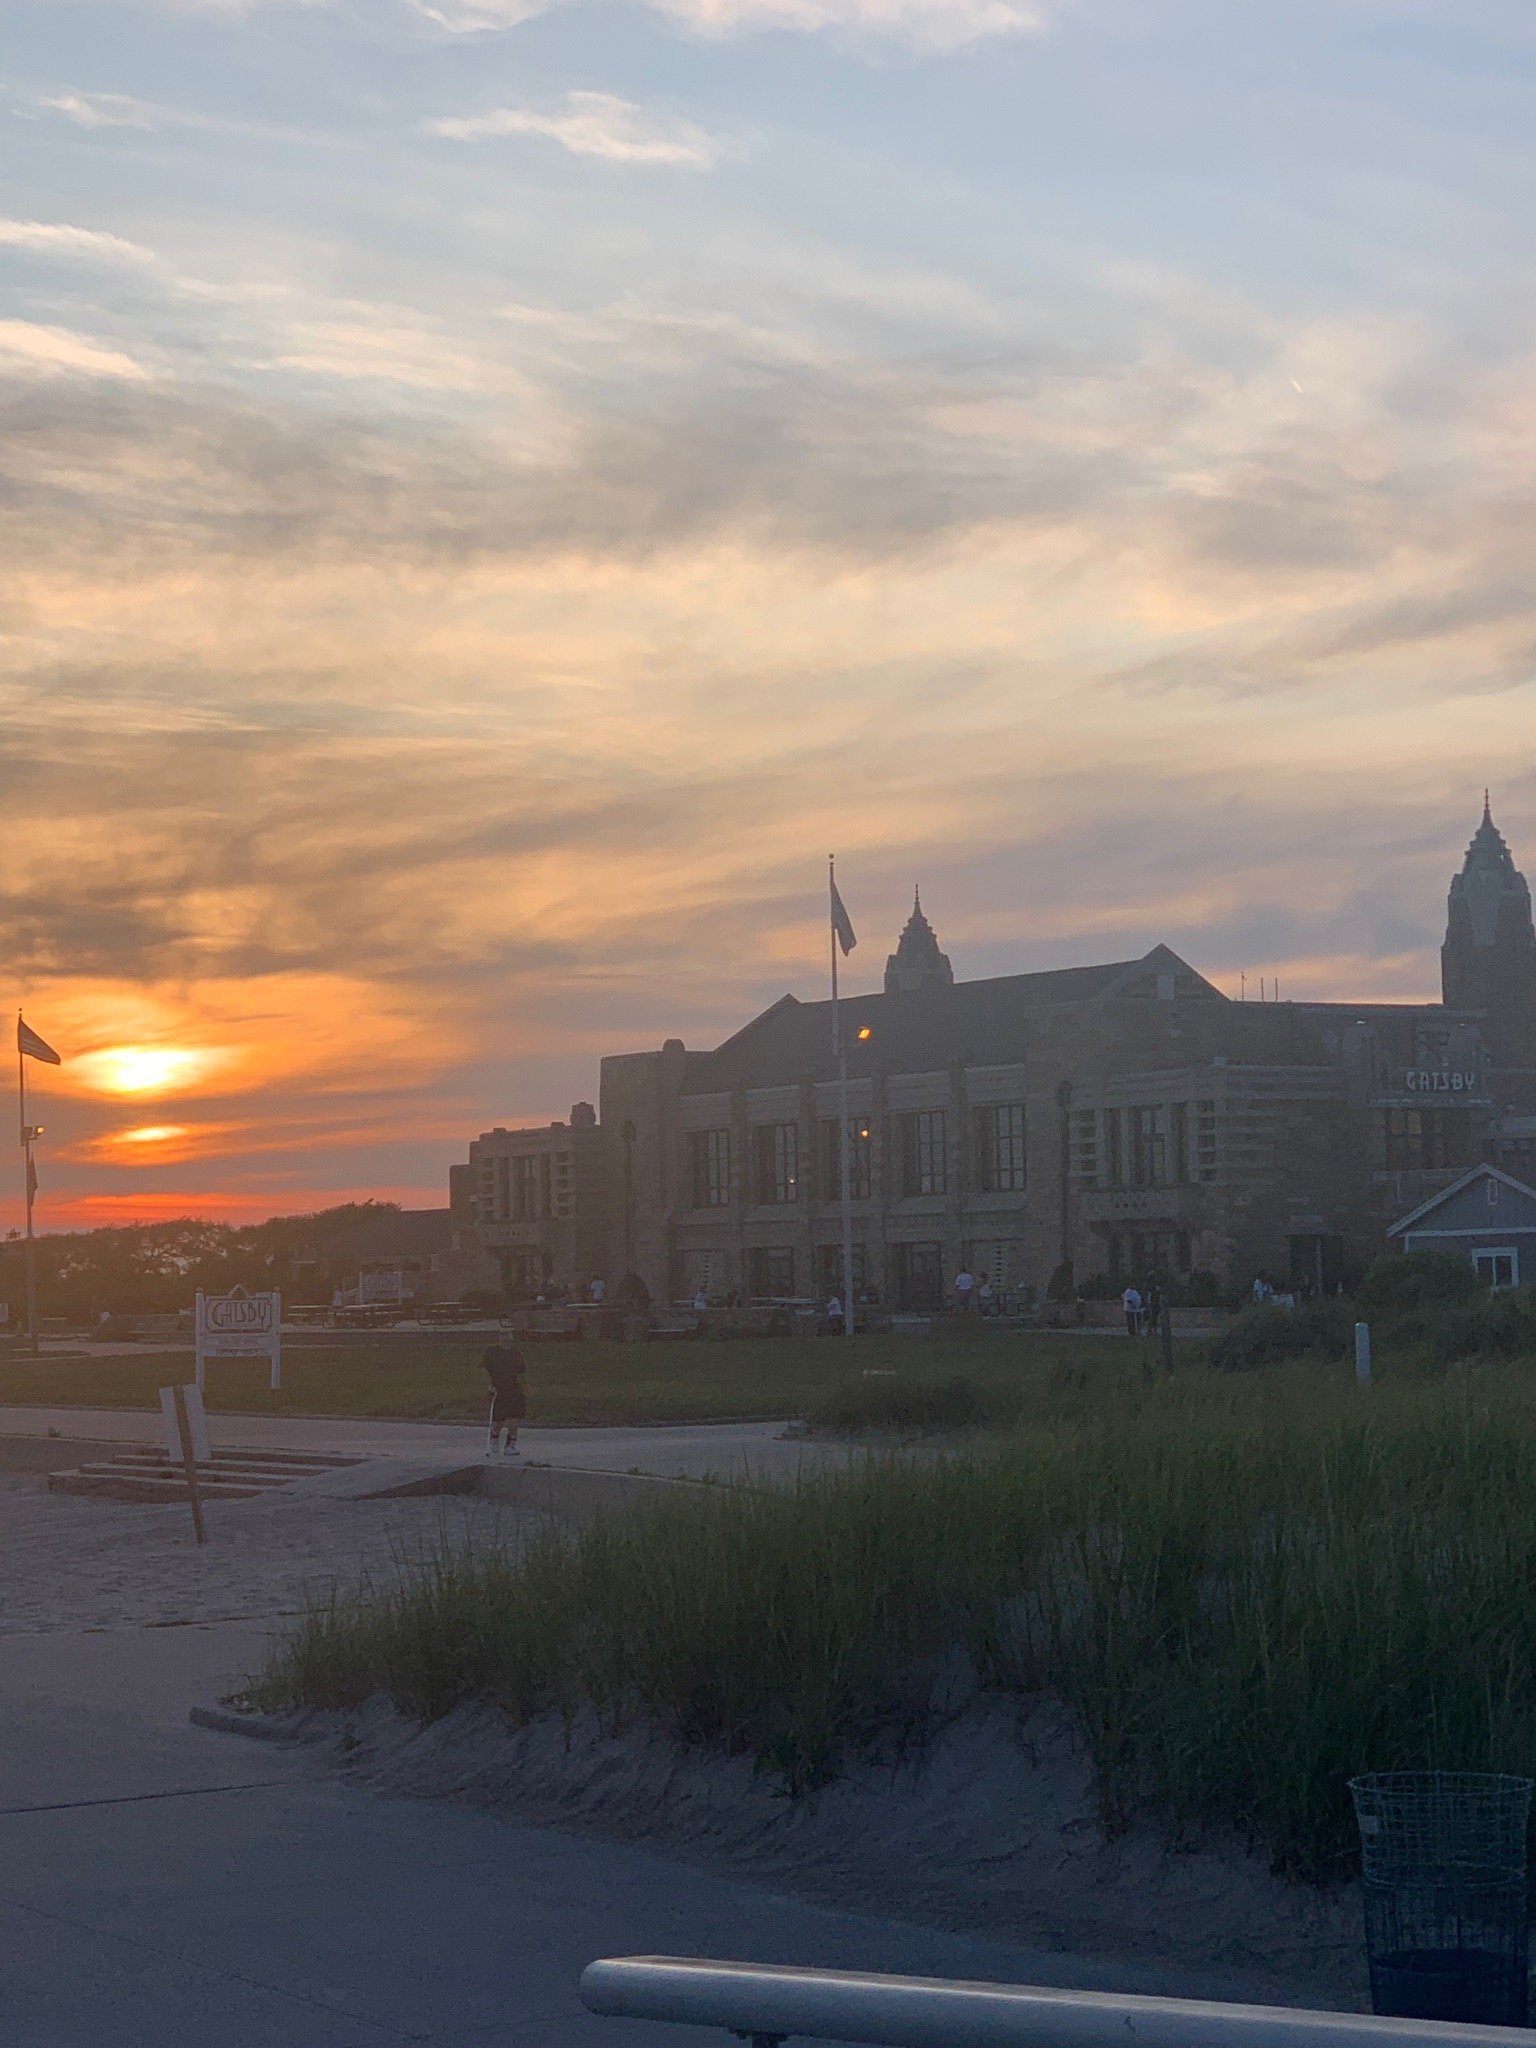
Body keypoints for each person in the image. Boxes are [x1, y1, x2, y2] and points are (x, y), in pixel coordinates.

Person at [481, 1333, 527, 1458]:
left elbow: (521, 1373)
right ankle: (495, 1437)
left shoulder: (516, 1354)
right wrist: (490, 1384)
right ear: (499, 1338)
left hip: (513, 1390)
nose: (506, 1340)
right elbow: (485, 1370)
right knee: (499, 1420)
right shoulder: (492, 1352)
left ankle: (510, 1445)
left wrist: (520, 1388)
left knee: (514, 1419)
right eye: (503, 1337)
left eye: (508, 1338)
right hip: (498, 1390)